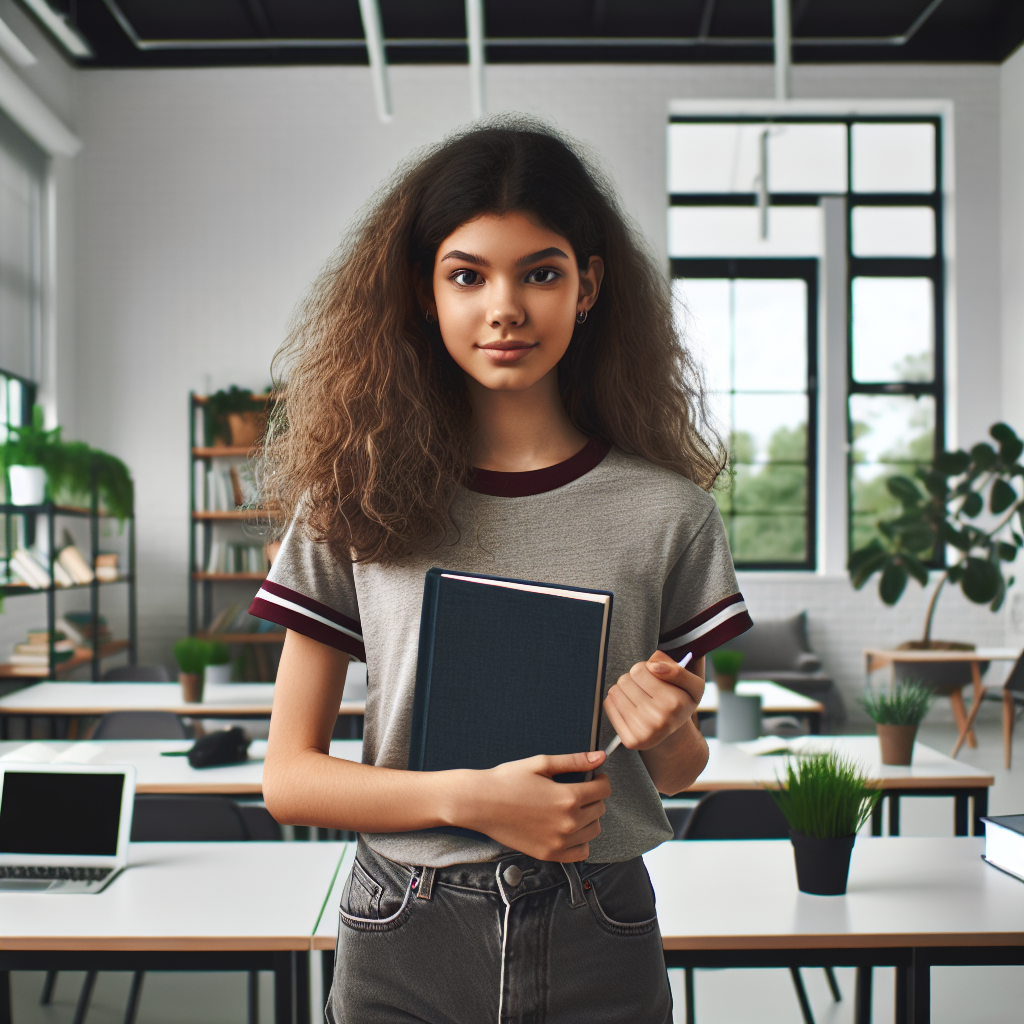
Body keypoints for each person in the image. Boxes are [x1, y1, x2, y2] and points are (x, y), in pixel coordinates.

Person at [255, 118, 752, 1024]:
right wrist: (469, 800)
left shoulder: (670, 514)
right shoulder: (351, 501)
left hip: (598, 920)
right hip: (405, 925)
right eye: (467, 274)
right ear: (424, 291)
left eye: (542, 272)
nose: (505, 308)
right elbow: (288, 776)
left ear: (589, 286)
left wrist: (669, 728)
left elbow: (678, 773)